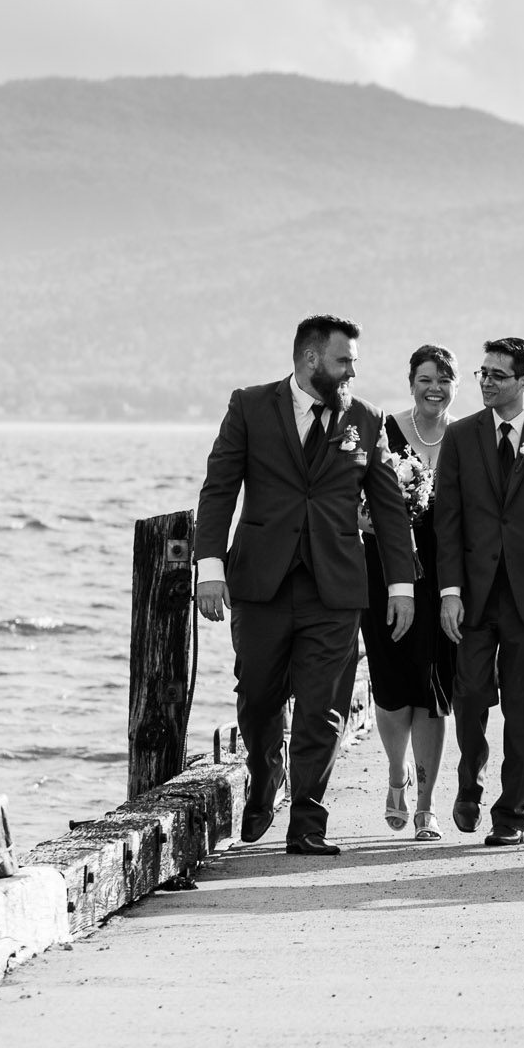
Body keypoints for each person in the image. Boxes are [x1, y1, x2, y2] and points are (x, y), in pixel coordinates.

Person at [194, 315, 416, 856]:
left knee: (324, 707)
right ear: (311, 359)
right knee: (258, 699)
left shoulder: (365, 418)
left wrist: (402, 585)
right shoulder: (249, 406)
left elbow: (388, 506)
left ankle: (308, 822)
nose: (351, 373)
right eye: (344, 362)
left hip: (335, 588)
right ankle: (265, 772)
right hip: (260, 584)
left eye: (354, 364)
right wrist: (209, 570)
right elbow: (219, 489)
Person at [433, 338, 524, 847]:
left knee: (522, 708)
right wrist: (449, 591)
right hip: (472, 595)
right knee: (470, 694)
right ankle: (469, 781)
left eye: (499, 374)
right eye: (484, 372)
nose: (487, 381)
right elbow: (446, 521)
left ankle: (512, 811)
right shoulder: (460, 437)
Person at [361, 343, 460, 842]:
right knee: (393, 683)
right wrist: (378, 522)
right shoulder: (384, 431)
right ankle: (396, 772)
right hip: (383, 575)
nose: (434, 389)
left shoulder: (463, 438)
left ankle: (426, 801)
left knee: (434, 688)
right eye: (425, 379)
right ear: (411, 382)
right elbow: (356, 504)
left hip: (445, 579)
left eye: (443, 380)